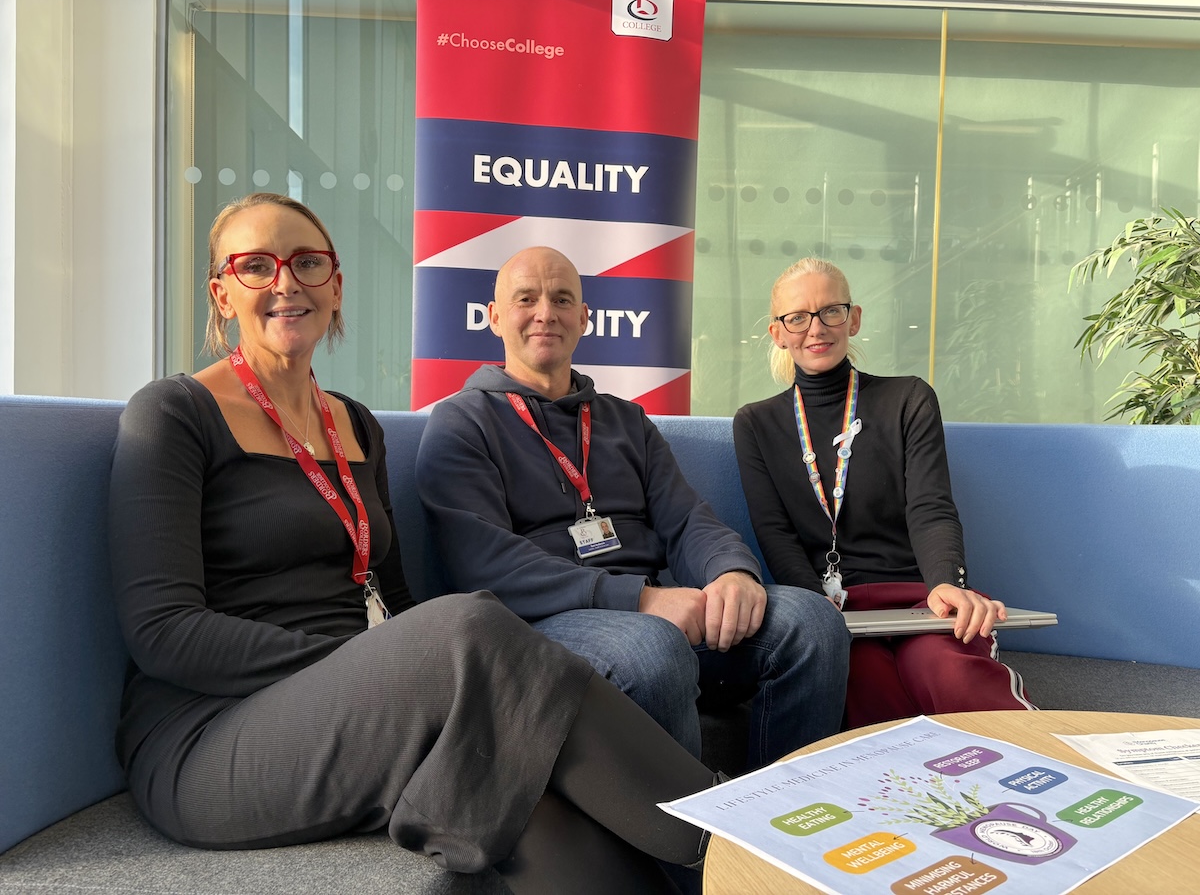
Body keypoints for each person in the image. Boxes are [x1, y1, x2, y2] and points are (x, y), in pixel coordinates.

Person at [107, 194, 721, 895]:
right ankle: (733, 839)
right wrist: (372, 668)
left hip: (355, 718)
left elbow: (388, 594)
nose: (286, 283)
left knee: (542, 806)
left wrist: (391, 674)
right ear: (221, 292)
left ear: (335, 287)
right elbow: (162, 634)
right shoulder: (173, 414)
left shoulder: (354, 425)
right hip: (213, 738)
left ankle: (715, 860)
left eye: (308, 263)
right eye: (256, 266)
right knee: (469, 622)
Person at [416, 245, 850, 771]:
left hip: (653, 618)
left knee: (811, 624)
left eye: (562, 299)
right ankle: (684, 849)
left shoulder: (627, 422)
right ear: (494, 317)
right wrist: (639, 600)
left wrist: (731, 572)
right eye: (525, 299)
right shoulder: (461, 422)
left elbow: (687, 518)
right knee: (653, 650)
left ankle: (781, 822)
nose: (545, 313)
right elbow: (485, 564)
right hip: (540, 628)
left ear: (584, 318)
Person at [732, 257, 1035, 730]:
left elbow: (931, 508)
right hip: (835, 609)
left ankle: (1056, 764)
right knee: (864, 685)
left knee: (942, 670)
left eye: (831, 311)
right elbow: (775, 533)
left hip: (920, 595)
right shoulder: (755, 423)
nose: (816, 328)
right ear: (779, 333)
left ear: (853, 319)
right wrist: (815, 605)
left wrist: (946, 583)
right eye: (798, 317)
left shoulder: (908, 398)